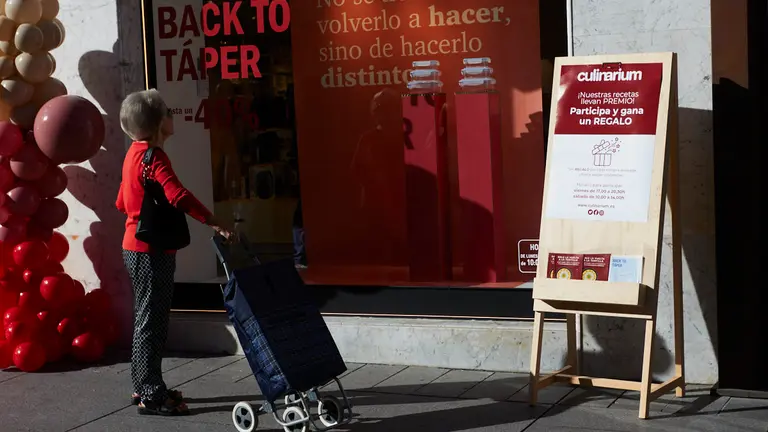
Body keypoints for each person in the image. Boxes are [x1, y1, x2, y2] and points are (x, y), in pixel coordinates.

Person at [116, 89, 233, 416]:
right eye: (167, 111)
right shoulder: (154, 158)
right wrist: (214, 221)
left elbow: (121, 201)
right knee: (152, 322)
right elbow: (177, 195)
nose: (172, 115)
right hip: (151, 250)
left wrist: (139, 212)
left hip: (135, 246)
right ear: (157, 123)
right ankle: (151, 394)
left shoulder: (134, 154)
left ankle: (144, 385)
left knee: (147, 318)